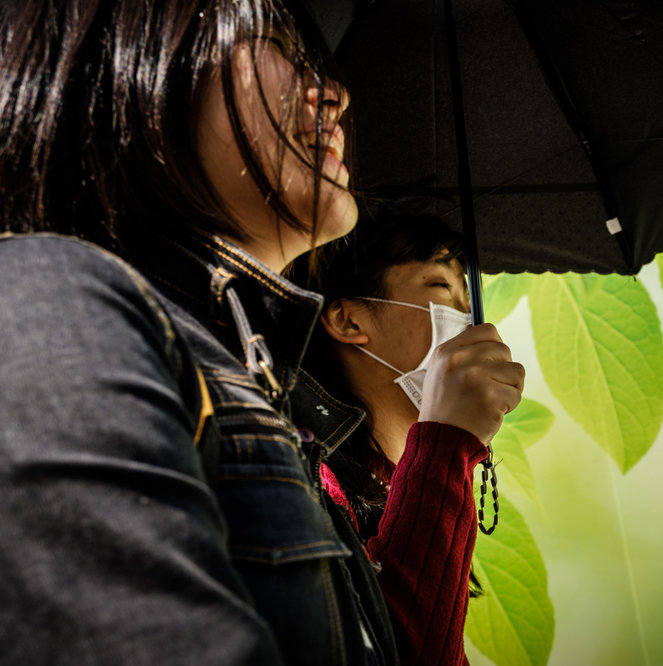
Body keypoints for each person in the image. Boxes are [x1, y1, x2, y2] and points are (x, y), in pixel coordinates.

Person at [0, 2, 524, 664]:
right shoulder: (57, 303)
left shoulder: (265, 410)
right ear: (132, 73)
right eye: (272, 41)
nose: (334, 94)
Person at [288, 213, 490, 665]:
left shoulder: (399, 482)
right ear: (347, 320)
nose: (471, 320)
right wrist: (448, 440)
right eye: (440, 288)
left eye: (468, 296)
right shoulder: (308, 481)